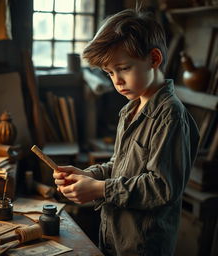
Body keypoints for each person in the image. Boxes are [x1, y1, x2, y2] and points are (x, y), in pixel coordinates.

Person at [53, 8, 200, 256]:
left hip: (142, 244)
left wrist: (99, 189)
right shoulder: (130, 109)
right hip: (114, 236)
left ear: (154, 59)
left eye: (123, 68)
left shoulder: (170, 116)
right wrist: (86, 176)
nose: (117, 81)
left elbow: (161, 187)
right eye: (109, 73)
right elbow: (119, 166)